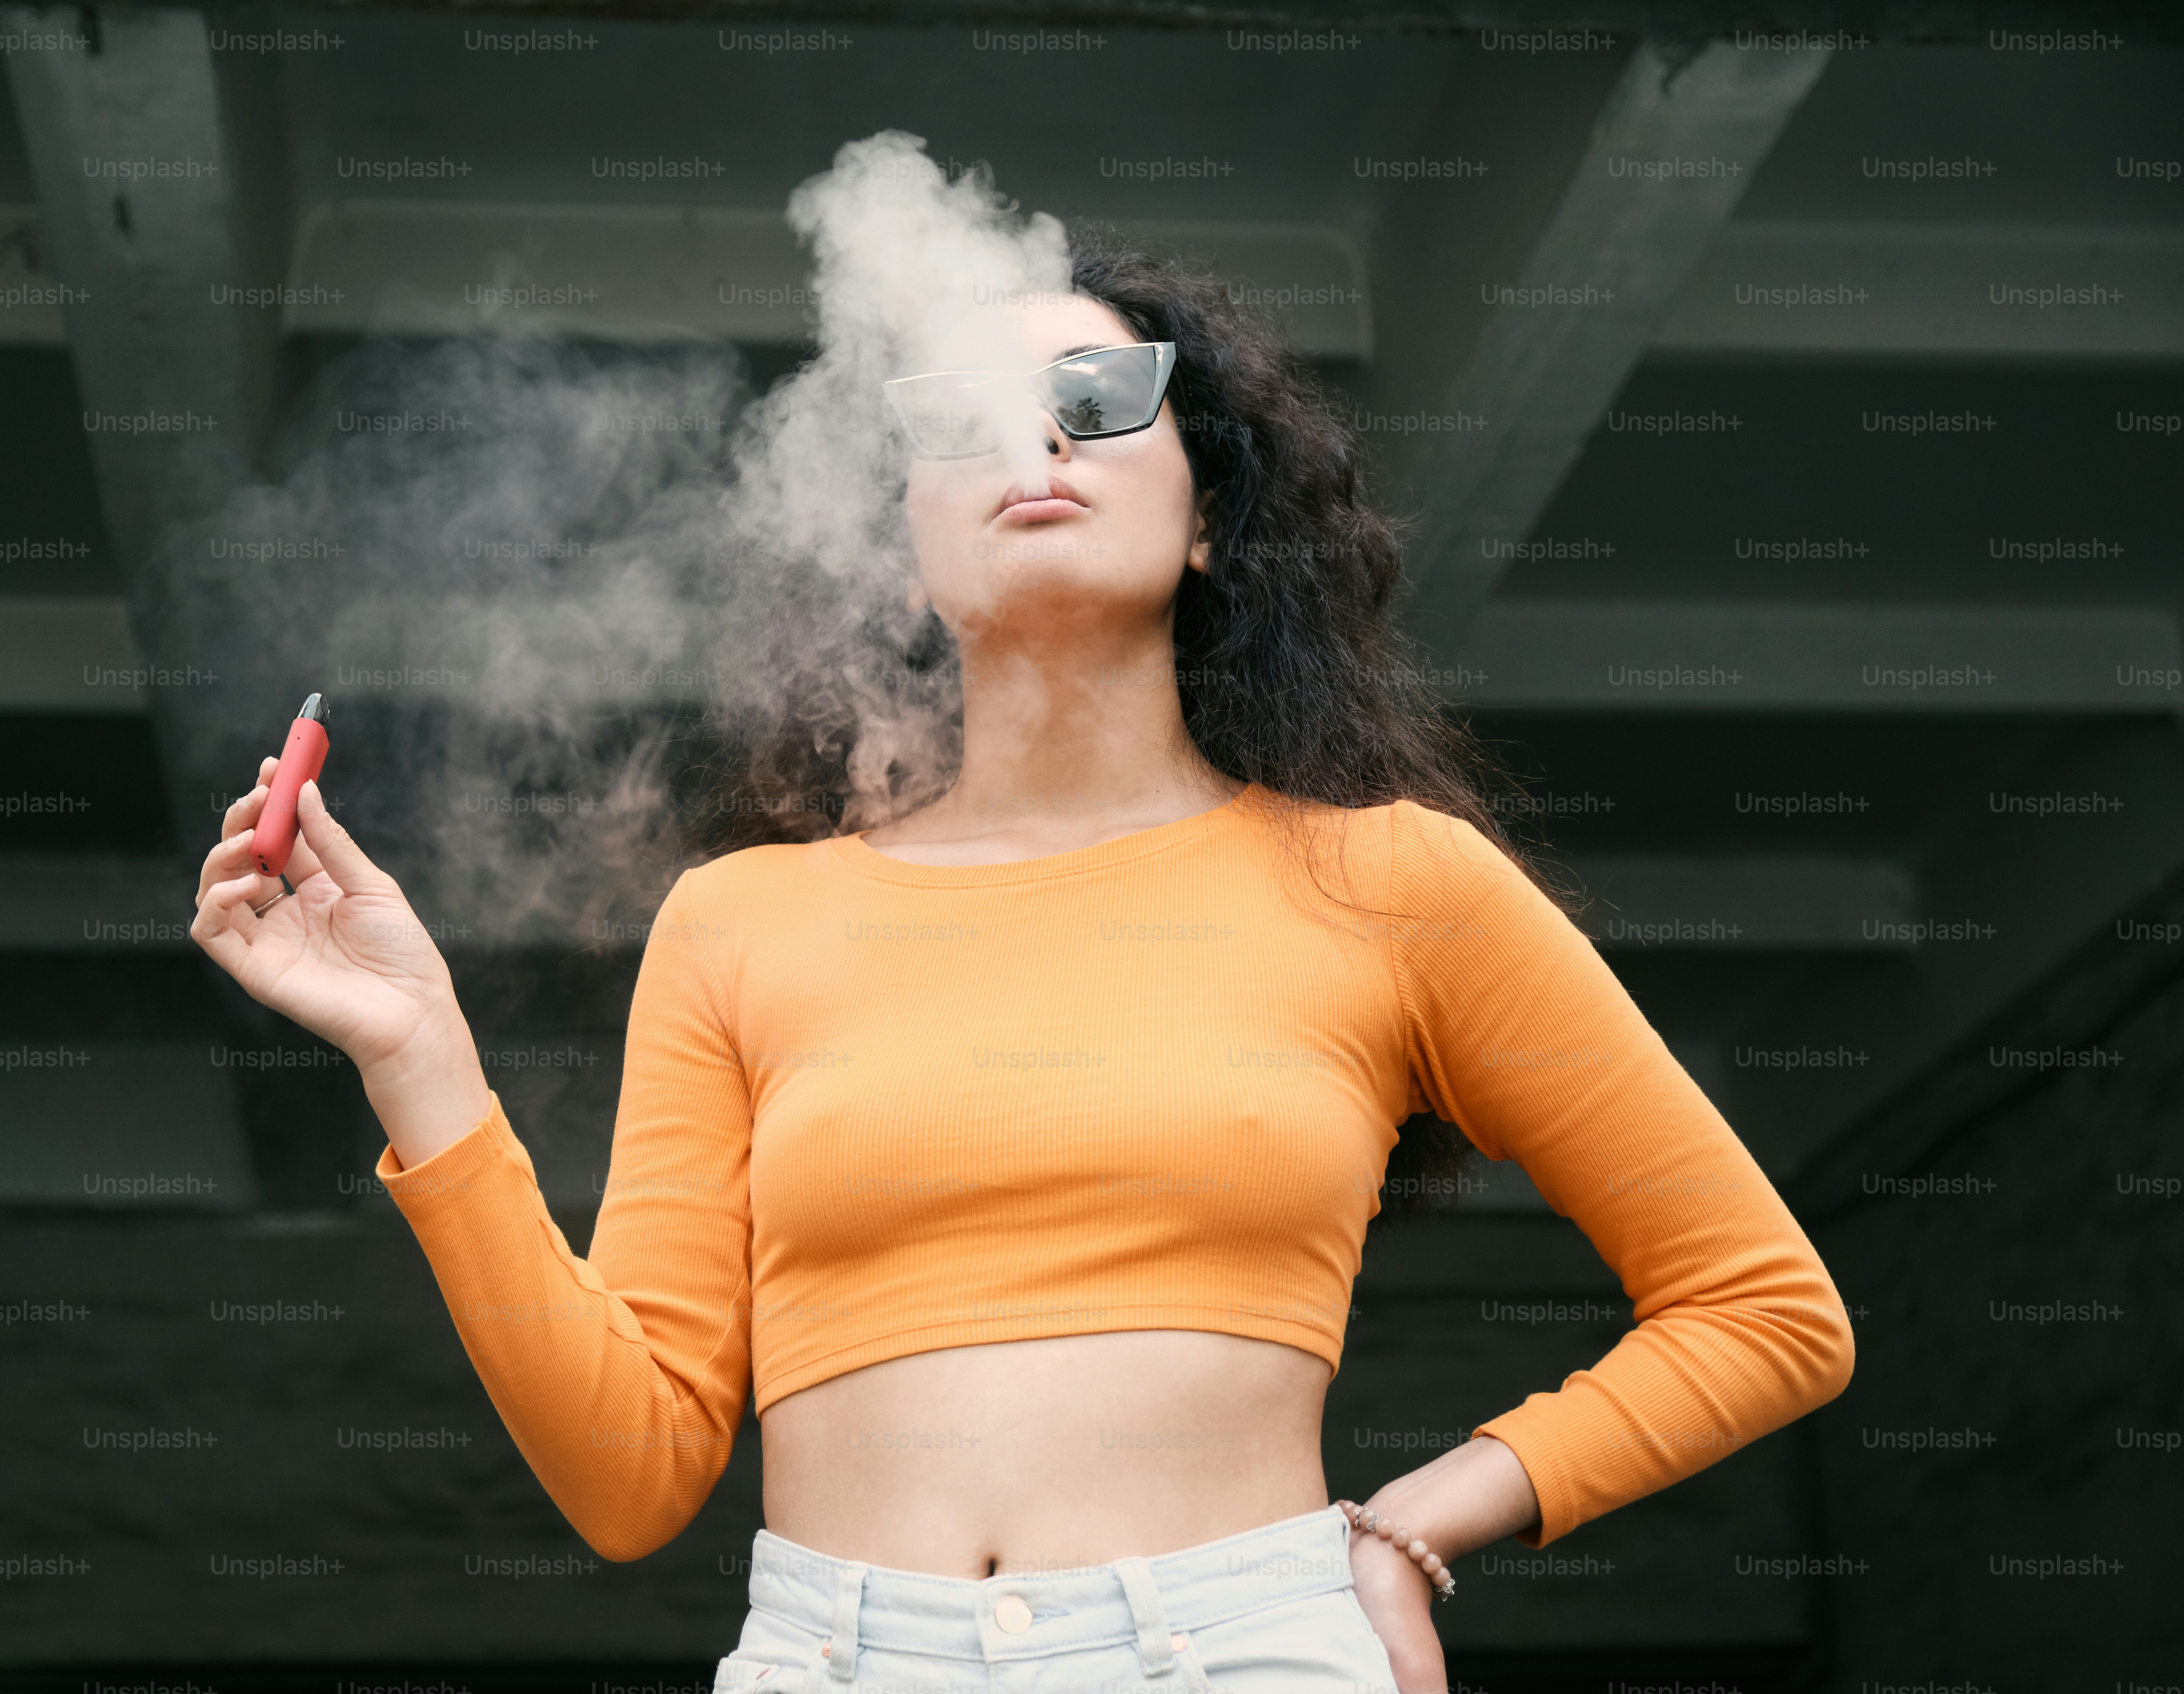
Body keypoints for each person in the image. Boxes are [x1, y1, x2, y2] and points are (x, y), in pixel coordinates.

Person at [191, 244, 1854, 1694]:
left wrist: (1415, 1528)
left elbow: (1767, 1311)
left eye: (1102, 394)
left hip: (1247, 1653)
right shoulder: (744, 922)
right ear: (903, 551)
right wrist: (422, 1064)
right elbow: (631, 1479)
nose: (1035, 439)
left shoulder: (1391, 883)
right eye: (961, 419)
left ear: (1214, 521)